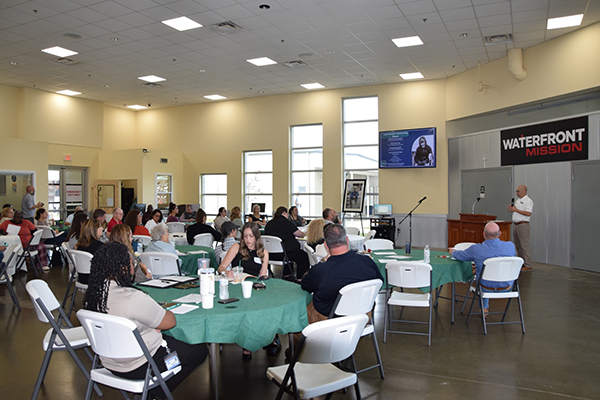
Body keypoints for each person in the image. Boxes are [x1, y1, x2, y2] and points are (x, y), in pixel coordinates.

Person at [83, 242, 208, 400]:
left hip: (109, 362)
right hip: (142, 365)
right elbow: (169, 322)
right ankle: (155, 394)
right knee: (199, 351)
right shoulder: (132, 298)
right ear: (120, 267)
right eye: (131, 263)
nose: (133, 267)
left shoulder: (94, 295)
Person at [300, 224, 384, 323]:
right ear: (347, 240)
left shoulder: (320, 270)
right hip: (363, 317)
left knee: (299, 315)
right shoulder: (367, 262)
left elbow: (305, 285)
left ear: (326, 245)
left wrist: (323, 261)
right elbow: (379, 284)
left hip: (330, 320)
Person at [217, 221, 273, 360]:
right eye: (245, 236)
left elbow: (263, 275)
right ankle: (247, 346)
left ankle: (263, 338)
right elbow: (221, 268)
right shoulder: (236, 247)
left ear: (256, 237)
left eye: (251, 236)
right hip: (236, 285)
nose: (248, 240)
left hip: (253, 286)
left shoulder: (263, 253)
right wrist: (226, 273)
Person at [449, 222, 517, 314]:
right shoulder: (510, 246)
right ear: (500, 234)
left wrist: (452, 251)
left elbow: (460, 256)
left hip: (485, 287)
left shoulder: (476, 249)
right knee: (491, 274)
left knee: (484, 278)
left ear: (484, 234)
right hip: (507, 286)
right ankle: (484, 308)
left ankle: (484, 309)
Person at [264, 206, 310, 279]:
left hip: (270, 255)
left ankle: (287, 274)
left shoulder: (269, 224)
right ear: (284, 213)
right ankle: (300, 279)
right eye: (287, 214)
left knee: (287, 251)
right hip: (284, 255)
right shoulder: (286, 222)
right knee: (303, 256)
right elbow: (298, 234)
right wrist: (304, 234)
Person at [507, 185, 534, 272]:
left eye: (518, 191)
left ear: (524, 191)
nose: (517, 193)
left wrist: (516, 210)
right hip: (516, 225)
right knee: (518, 245)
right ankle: (522, 262)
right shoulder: (518, 201)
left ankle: (528, 264)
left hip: (523, 225)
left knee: (524, 245)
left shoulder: (528, 201)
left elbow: (528, 213)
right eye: (516, 191)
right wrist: (512, 209)